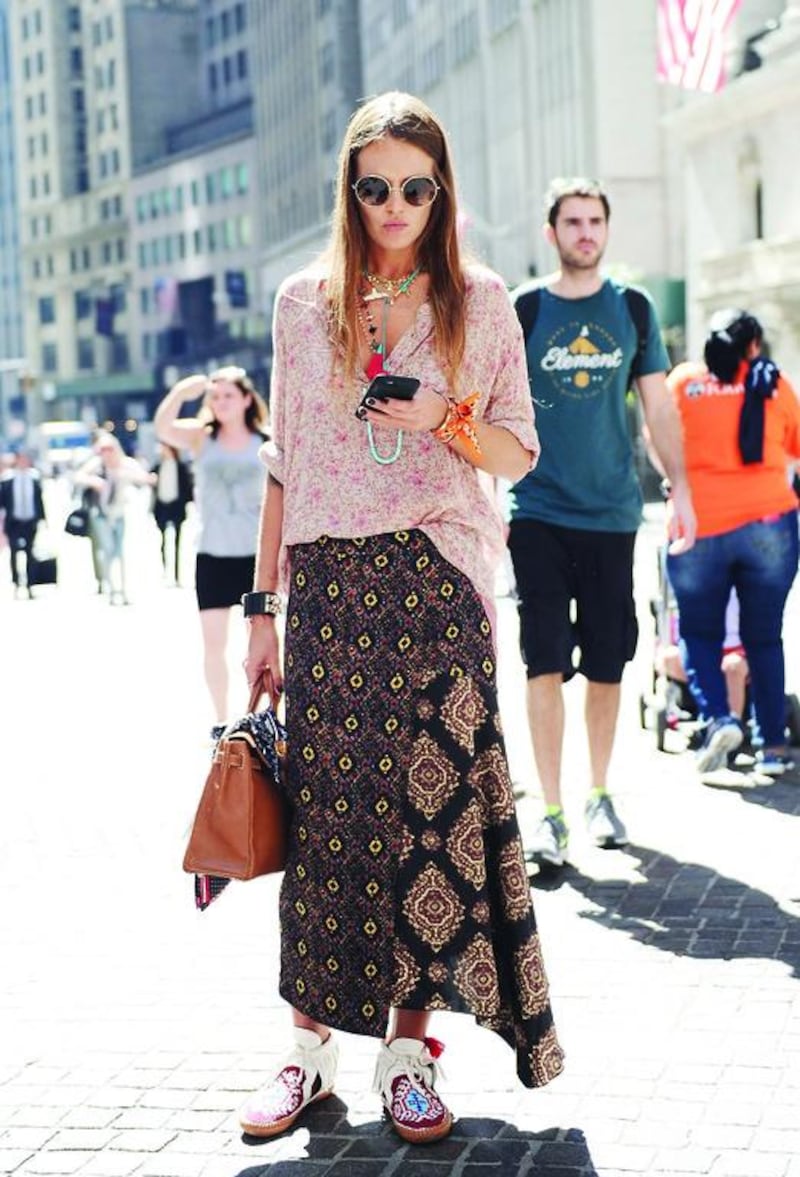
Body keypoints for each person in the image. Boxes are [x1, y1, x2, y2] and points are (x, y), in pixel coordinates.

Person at [239, 91, 564, 1144]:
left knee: (432, 828)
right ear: (348, 189)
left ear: (441, 190)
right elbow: (282, 468)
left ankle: (407, 1056)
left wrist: (442, 416)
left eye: (413, 187)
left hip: (436, 582)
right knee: (330, 824)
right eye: (372, 186)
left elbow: (517, 452)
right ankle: (306, 1056)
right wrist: (260, 608)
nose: (393, 206)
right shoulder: (300, 305)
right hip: (329, 594)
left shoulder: (479, 299)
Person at [507, 176, 697, 869]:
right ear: (550, 233)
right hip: (537, 511)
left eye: (595, 221)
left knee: (609, 662)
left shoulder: (634, 309)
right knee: (545, 658)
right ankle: (551, 812)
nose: (586, 232)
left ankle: (598, 793)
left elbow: (658, 409)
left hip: (613, 514)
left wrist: (681, 491)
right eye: (573, 221)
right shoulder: (524, 309)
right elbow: (492, 405)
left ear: (606, 231)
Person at [665, 309, 800, 776]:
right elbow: (796, 447)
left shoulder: (683, 384)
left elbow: (659, 442)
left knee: (700, 634)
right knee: (764, 637)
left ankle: (721, 718)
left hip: (699, 525)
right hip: (768, 523)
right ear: (755, 346)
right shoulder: (774, 383)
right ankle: (774, 749)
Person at [154, 366, 268, 724]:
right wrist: (180, 393)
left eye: (228, 395)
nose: (220, 402)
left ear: (247, 399)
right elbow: (163, 428)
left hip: (255, 557)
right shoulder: (202, 438)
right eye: (215, 397)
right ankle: (221, 720)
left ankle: (258, 717)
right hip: (212, 555)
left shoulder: (264, 441)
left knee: (260, 645)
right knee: (213, 646)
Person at [0, 447, 46, 598]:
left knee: (29, 553)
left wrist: (43, 519)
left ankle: (30, 585)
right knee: (13, 553)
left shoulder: (34, 477)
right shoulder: (7, 479)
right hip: (14, 522)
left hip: (30, 521)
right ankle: (16, 583)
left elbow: (39, 501)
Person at [149, 442, 193, 586]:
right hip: (162, 507)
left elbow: (188, 488)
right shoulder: (157, 466)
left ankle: (176, 575)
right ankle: (165, 570)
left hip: (176, 507)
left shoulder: (181, 467)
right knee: (162, 541)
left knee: (177, 543)